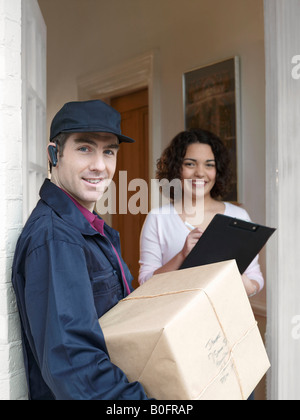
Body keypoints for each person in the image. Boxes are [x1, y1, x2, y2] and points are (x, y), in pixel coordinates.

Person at [12, 100, 151, 400]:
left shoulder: (90, 228)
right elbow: (76, 370)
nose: (100, 165)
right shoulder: (55, 238)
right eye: (85, 148)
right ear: (54, 154)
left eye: (109, 151)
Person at [139, 129, 264, 297]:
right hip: (177, 320)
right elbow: (145, 283)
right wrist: (182, 255)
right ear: (176, 169)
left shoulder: (239, 216)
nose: (200, 172)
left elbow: (255, 279)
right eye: (190, 164)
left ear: (218, 170)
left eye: (209, 164)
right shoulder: (158, 219)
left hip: (226, 320)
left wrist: (236, 274)